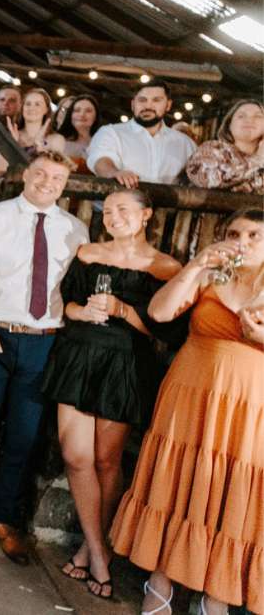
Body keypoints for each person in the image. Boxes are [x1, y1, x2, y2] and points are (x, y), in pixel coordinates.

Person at [112, 209, 264, 615]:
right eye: (234, 233)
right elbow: (160, 313)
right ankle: (159, 586)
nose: (243, 241)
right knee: (177, 483)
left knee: (232, 493)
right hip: (192, 395)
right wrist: (197, 264)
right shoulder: (212, 275)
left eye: (254, 235)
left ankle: (215, 597)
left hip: (249, 409)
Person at [40, 189, 183, 600]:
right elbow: (67, 304)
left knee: (106, 459)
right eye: (109, 210)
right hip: (79, 355)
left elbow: (165, 331)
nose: (114, 216)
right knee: (76, 456)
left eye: (124, 209)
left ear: (146, 216)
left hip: (125, 364)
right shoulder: (87, 252)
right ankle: (102, 554)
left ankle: (89, 546)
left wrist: (123, 311)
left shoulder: (164, 266)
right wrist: (81, 312)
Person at [0, 150, 89, 564]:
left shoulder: (76, 230)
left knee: (23, 435)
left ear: (65, 186)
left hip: (44, 340)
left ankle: (5, 518)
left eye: (57, 178)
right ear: (26, 175)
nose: (47, 183)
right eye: (41, 174)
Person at [87, 84, 196, 187]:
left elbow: (196, 177)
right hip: (121, 205)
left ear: (168, 105)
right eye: (142, 100)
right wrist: (114, 173)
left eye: (156, 100)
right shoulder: (110, 132)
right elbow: (100, 160)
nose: (148, 106)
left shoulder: (186, 143)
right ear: (133, 104)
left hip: (169, 207)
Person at [185, 99, 264, 194]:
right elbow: (210, 179)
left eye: (258, 116)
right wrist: (257, 160)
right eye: (241, 116)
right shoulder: (211, 149)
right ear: (229, 124)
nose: (249, 120)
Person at [54, 93, 99, 171]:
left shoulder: (99, 142)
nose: (81, 114)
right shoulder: (53, 139)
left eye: (70, 111)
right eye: (64, 109)